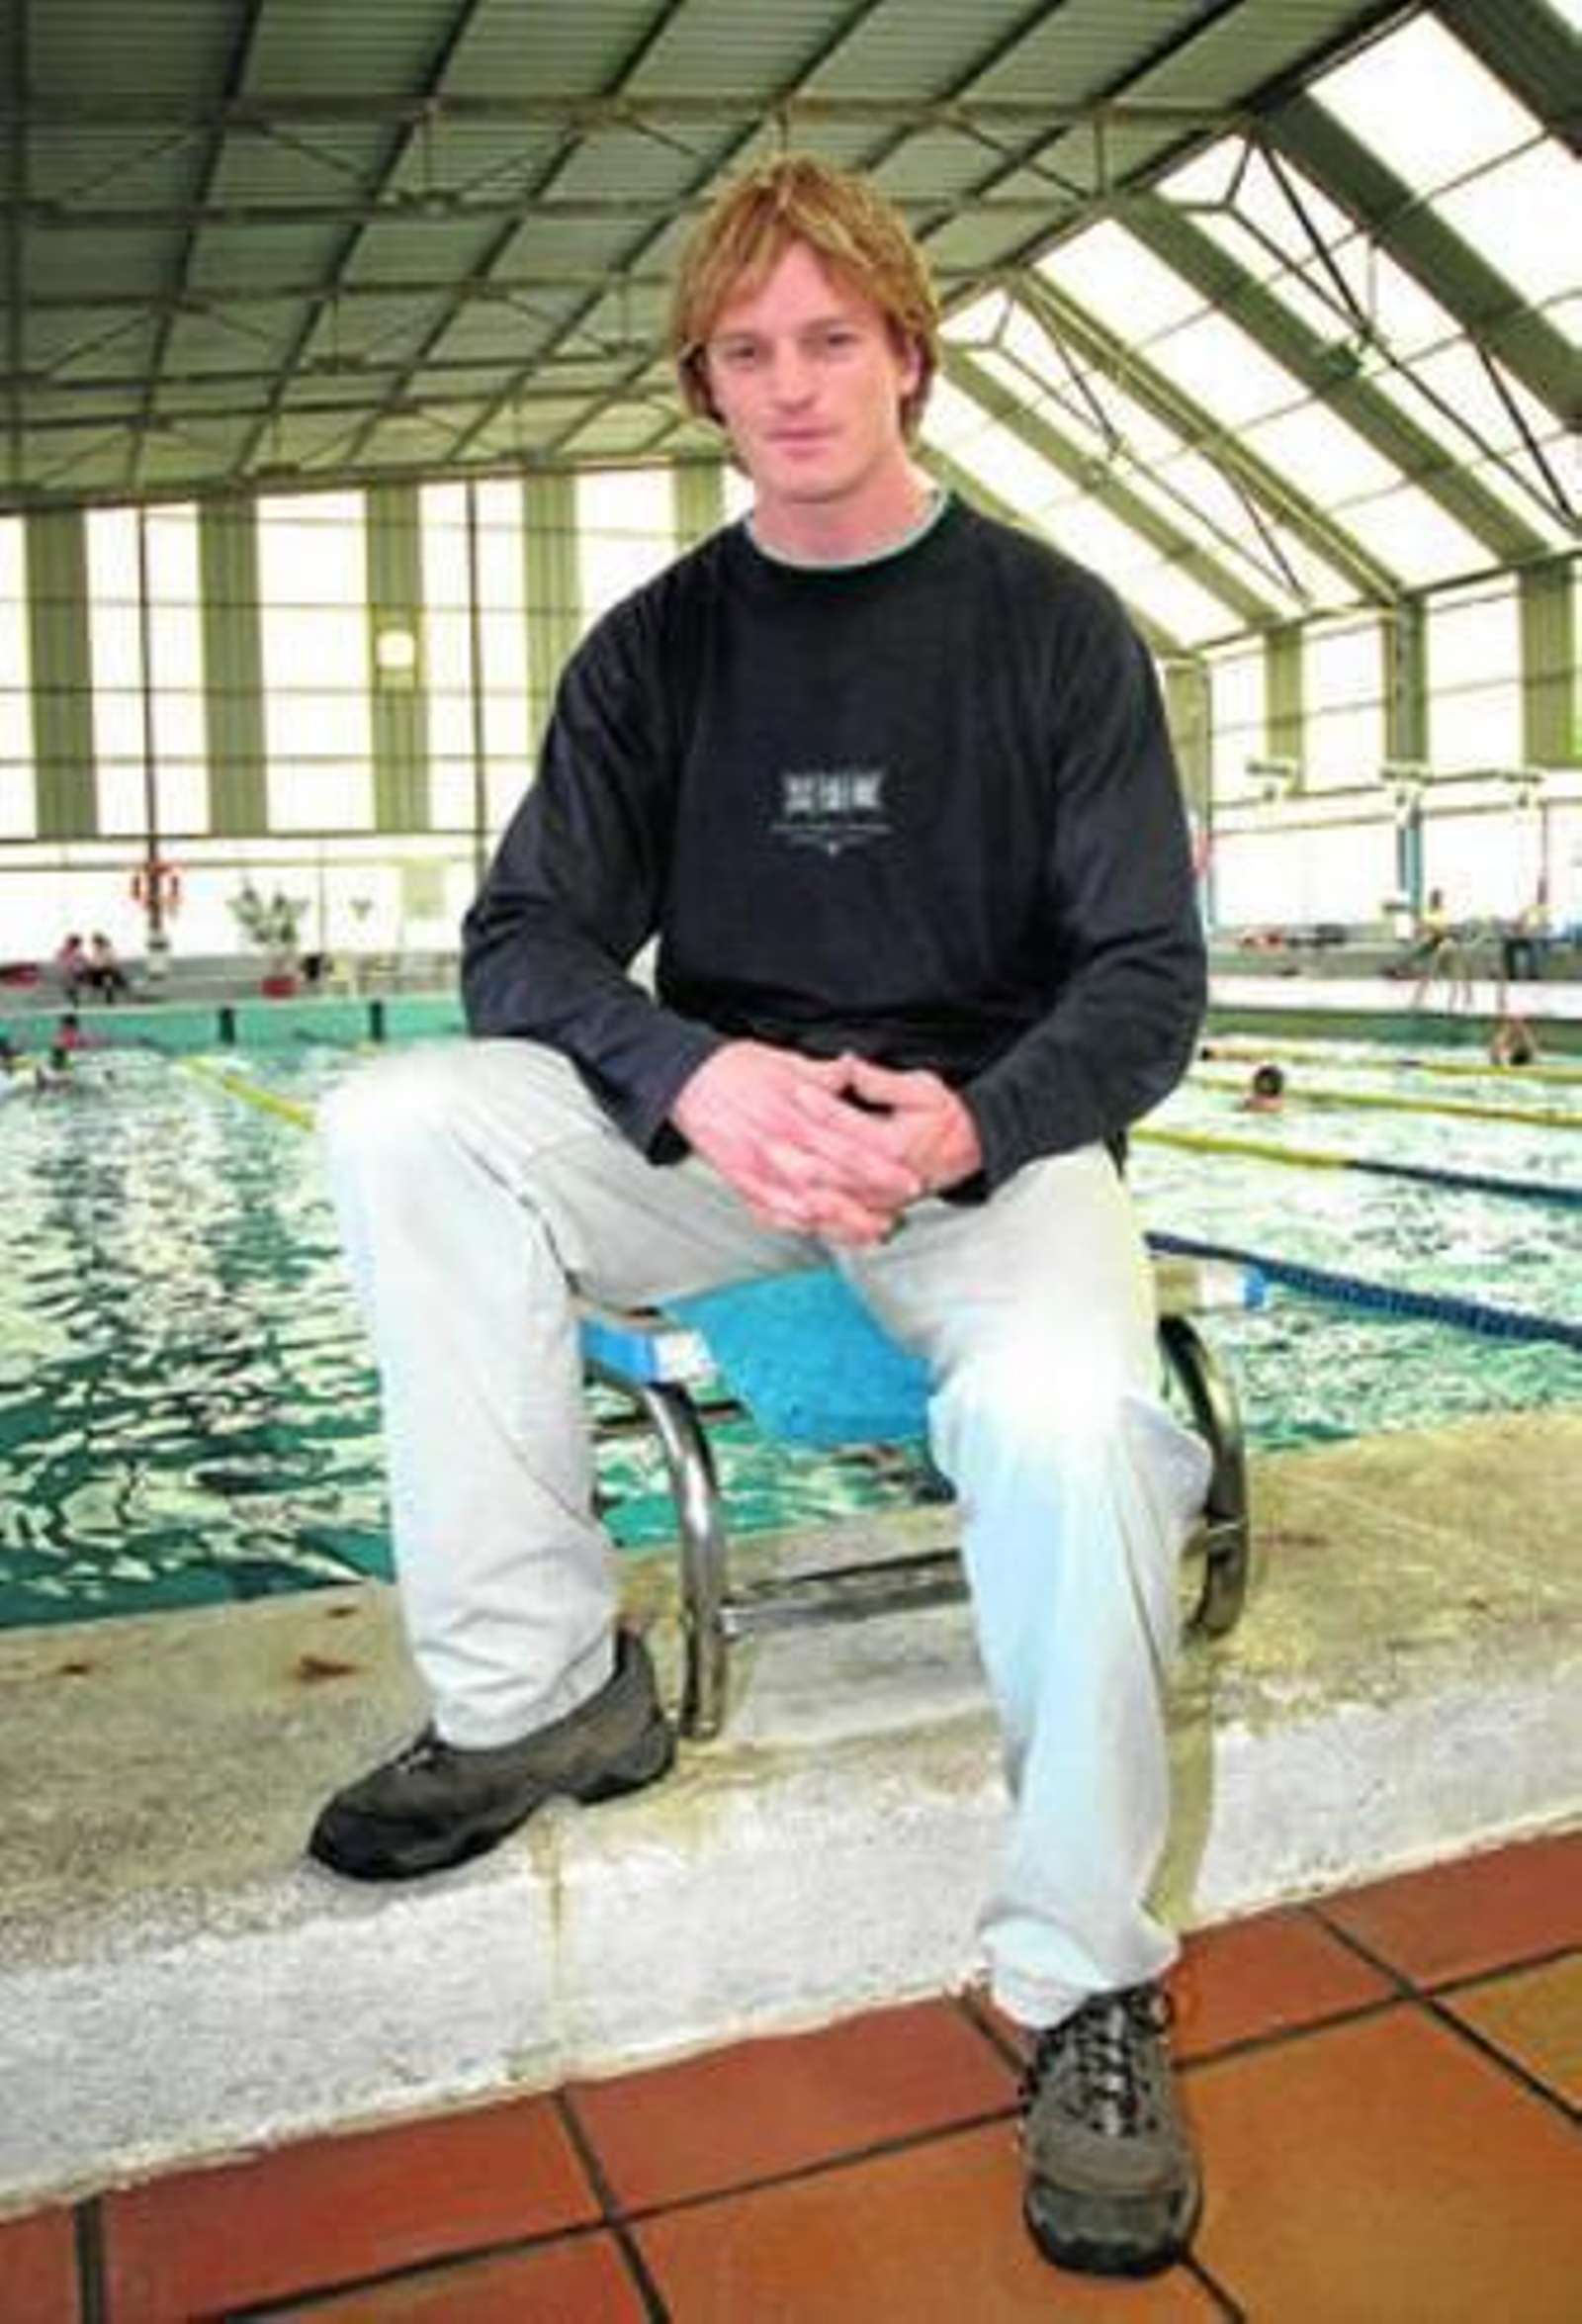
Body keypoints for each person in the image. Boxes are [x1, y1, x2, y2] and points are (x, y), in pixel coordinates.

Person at [312, 155, 1211, 2280]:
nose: (792, 384)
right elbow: (520, 937)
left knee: (1081, 1425)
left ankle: (1082, 1968)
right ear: (701, 386)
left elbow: (1146, 984)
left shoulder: (1053, 630)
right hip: (718, 1143)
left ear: (904, 350)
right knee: (400, 1120)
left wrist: (960, 1124)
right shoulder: (656, 651)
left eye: (830, 338)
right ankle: (540, 1686)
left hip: (974, 1148)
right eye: (745, 351)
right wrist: (686, 1070)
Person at [84, 932, 129, 1001]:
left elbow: (112, 963)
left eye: (96, 943)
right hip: (97, 973)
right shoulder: (94, 952)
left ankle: (111, 996)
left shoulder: (107, 950)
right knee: (93, 976)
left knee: (109, 979)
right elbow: (92, 964)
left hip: (107, 971)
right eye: (94, 943)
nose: (95, 945)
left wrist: (104, 967)